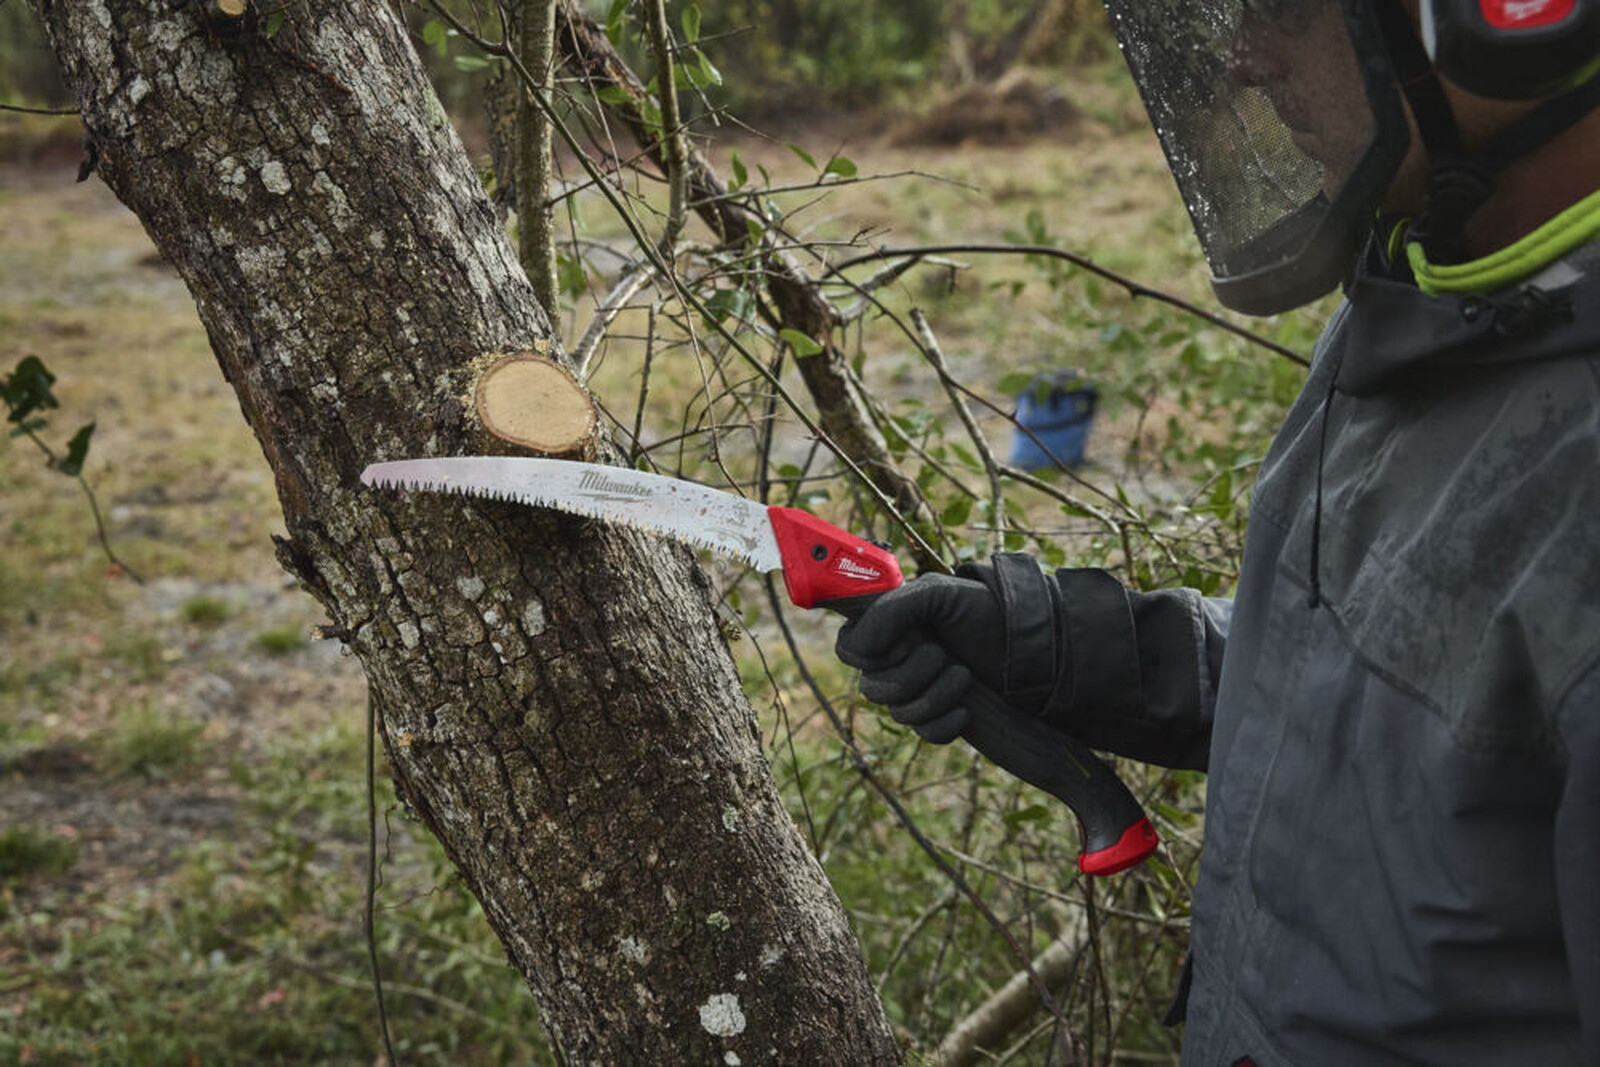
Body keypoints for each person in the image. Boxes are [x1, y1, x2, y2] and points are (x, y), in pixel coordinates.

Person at [834, 0, 1600, 1062]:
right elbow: (1419, 691)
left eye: (1283, 9)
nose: (1243, 60)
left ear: (1514, 19)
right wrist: (1074, 649)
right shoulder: (1435, 292)